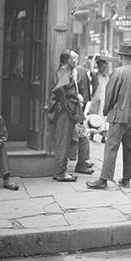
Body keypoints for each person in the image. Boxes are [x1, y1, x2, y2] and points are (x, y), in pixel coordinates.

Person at [86, 44, 131, 190]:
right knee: (129, 146)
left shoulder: (118, 72)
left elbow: (110, 94)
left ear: (121, 57)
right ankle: (126, 178)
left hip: (120, 115)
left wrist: (106, 111)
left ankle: (104, 179)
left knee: (111, 147)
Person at [48, 49, 85, 182]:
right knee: (63, 141)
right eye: (75, 59)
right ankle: (60, 172)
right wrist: (66, 104)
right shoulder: (64, 72)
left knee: (64, 140)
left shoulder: (64, 71)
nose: (76, 61)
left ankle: (61, 171)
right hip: (64, 112)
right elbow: (59, 89)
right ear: (68, 61)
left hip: (64, 111)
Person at [68, 51, 94, 174]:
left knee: (80, 135)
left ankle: (81, 161)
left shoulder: (72, 71)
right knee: (82, 136)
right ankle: (81, 164)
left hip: (74, 109)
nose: (76, 62)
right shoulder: (69, 72)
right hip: (72, 110)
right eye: (75, 60)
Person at [89, 55, 119, 143]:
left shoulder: (107, 76)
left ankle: (104, 136)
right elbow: (91, 70)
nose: (104, 69)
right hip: (97, 100)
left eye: (105, 67)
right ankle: (92, 134)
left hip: (105, 99)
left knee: (104, 119)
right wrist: (94, 58)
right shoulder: (95, 76)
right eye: (102, 67)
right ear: (98, 67)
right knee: (95, 117)